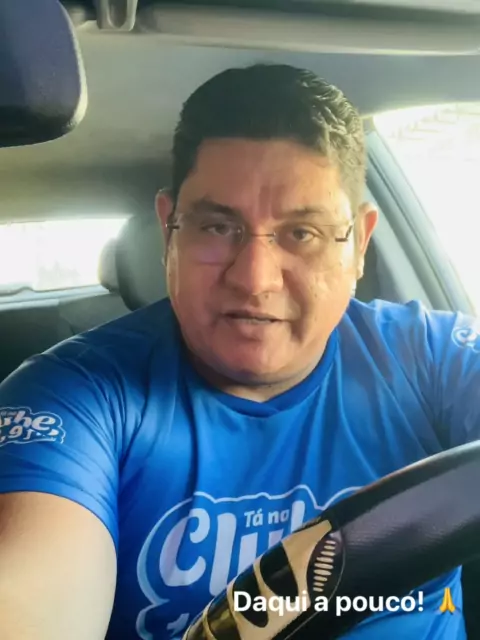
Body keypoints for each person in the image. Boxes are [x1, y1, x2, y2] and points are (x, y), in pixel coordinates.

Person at [0, 63, 478, 640]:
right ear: (168, 230)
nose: (254, 279)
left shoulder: (434, 359)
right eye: (216, 227)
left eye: (302, 233)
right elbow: (28, 594)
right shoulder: (75, 396)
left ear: (359, 245)